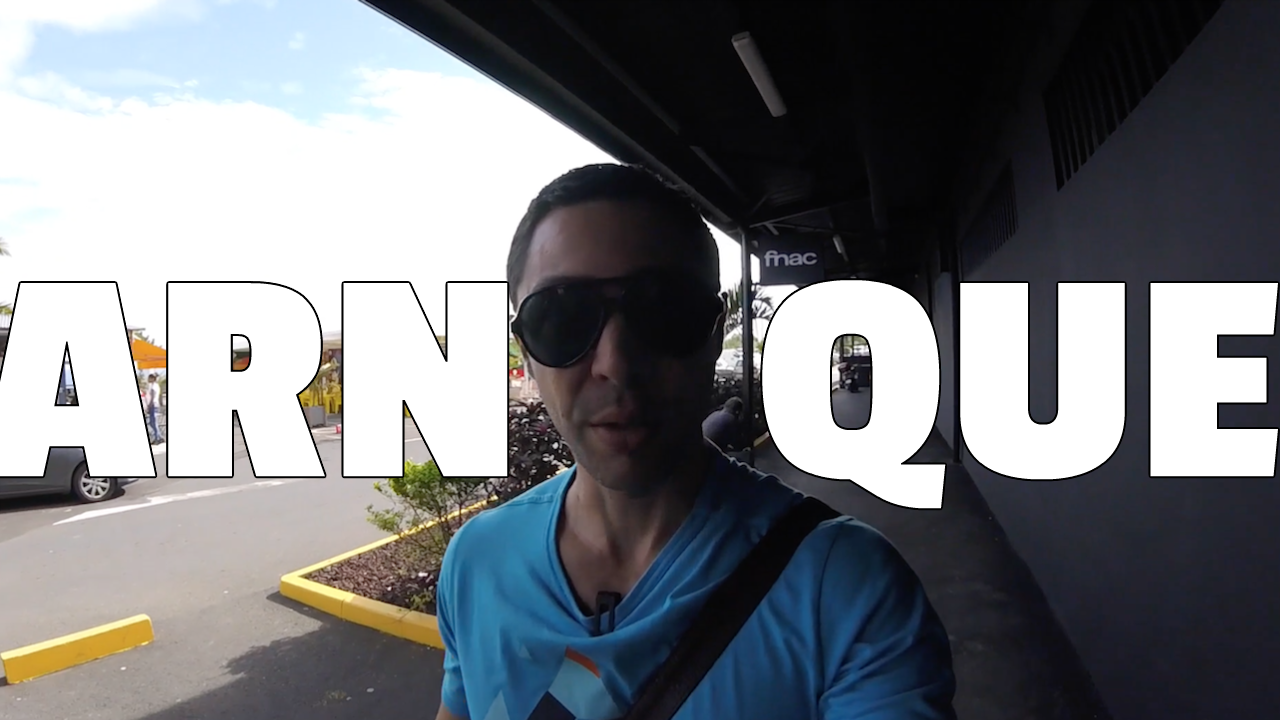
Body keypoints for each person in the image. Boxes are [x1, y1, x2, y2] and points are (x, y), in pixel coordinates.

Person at [434, 164, 955, 720]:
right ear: (525, 352)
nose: (616, 364)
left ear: (713, 333)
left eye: (664, 309)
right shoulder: (475, 563)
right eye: (562, 317)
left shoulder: (846, 592)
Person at [145, 373, 164, 444]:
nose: (148, 379)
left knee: (153, 422)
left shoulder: (154, 386)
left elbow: (153, 396)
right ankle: (159, 437)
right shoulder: (153, 385)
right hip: (153, 405)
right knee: (151, 422)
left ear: (153, 378)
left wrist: (149, 405)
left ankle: (158, 438)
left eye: (149, 378)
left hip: (153, 405)